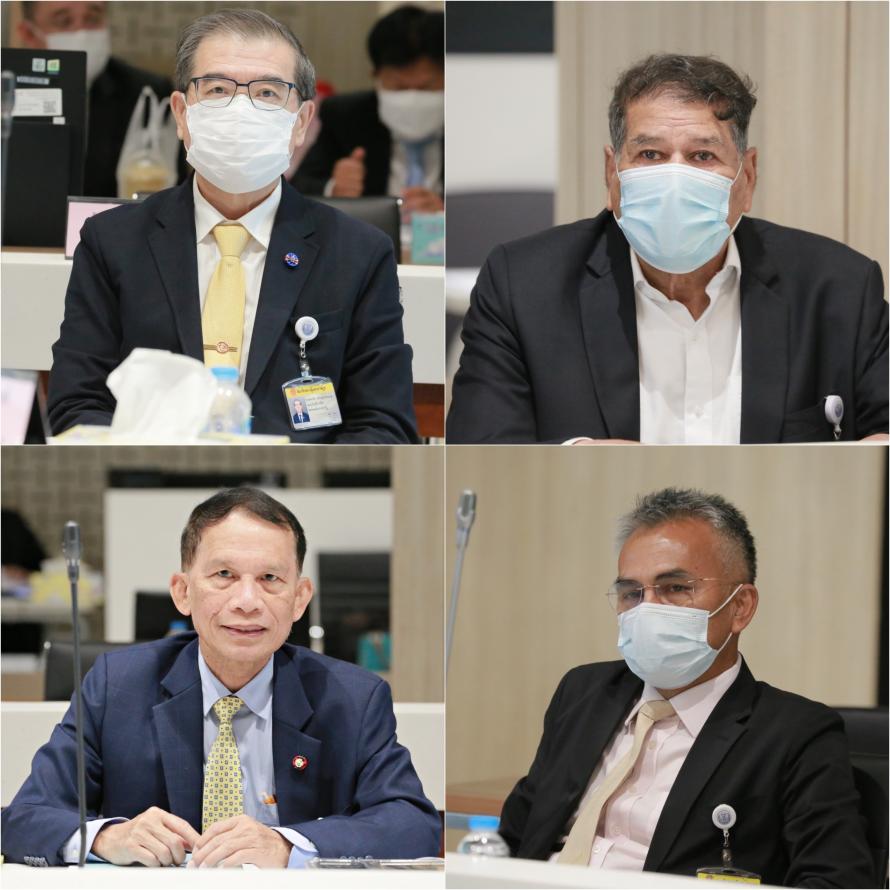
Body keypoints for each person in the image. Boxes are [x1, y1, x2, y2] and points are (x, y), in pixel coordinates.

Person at [447, 54, 889, 444]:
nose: (675, 179)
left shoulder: (841, 289)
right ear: (612, 173)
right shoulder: (523, 286)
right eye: (650, 155)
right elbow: (477, 445)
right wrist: (576, 457)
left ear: (747, 177)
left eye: (702, 156)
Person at [1, 487, 440, 868]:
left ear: (299, 598)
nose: (247, 601)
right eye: (224, 575)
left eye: (270, 578)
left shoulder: (353, 698)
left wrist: (288, 845)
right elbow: (24, 818)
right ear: (183, 592)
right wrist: (107, 837)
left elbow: (412, 824)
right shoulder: (116, 685)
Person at [47, 8, 417, 444]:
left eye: (267, 92)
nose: (241, 110)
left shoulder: (358, 253)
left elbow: (384, 425)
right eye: (218, 89)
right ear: (181, 114)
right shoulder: (112, 242)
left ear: (300, 122)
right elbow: (77, 404)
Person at [499, 488, 873, 887]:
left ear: (740, 607)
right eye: (632, 593)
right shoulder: (583, 692)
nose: (647, 609)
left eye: (676, 588)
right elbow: (517, 835)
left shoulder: (796, 733)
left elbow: (836, 880)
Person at [293, 5, 444, 216]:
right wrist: (334, 188)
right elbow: (298, 187)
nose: (413, 98)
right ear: (376, 77)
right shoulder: (346, 116)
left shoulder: (473, 122)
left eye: (425, 88)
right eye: (399, 87)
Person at [17, 1, 176, 197]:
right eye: (64, 21)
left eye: (92, 19)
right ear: (29, 35)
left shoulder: (147, 94)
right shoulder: (8, 92)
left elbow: (173, 197)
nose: (82, 32)